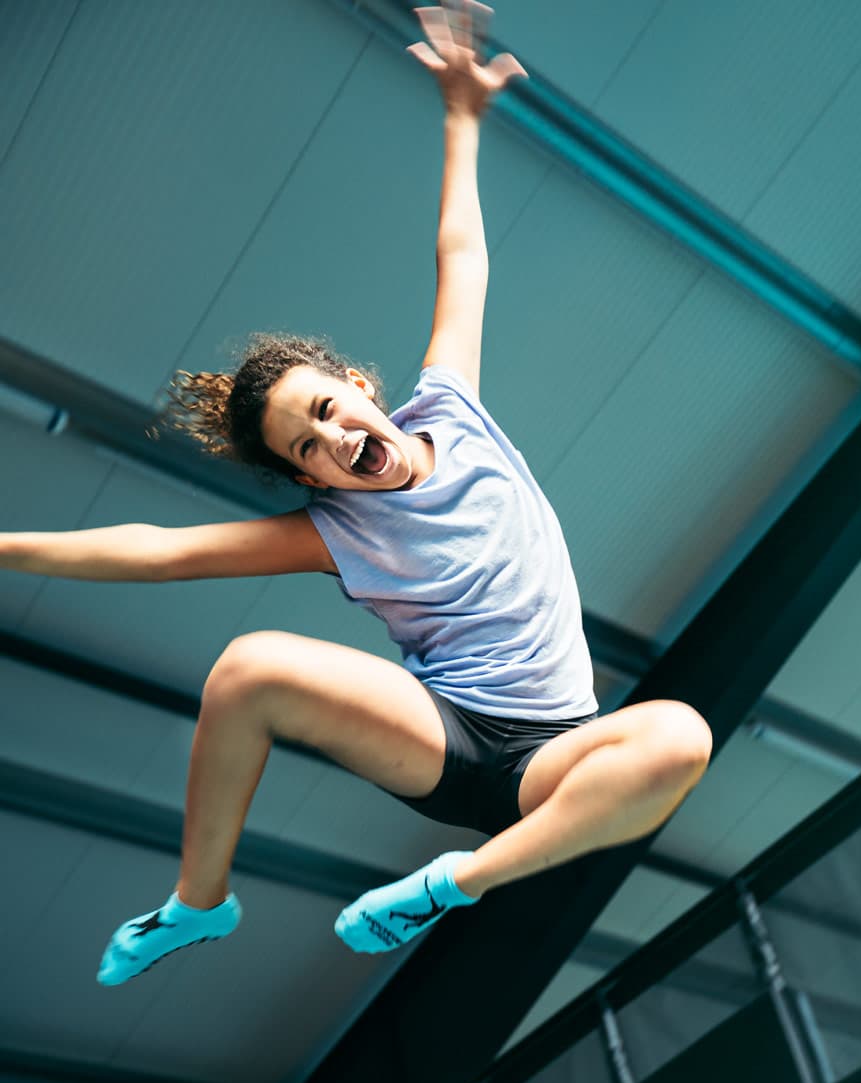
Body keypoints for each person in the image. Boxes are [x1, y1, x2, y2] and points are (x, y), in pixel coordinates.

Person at [0, 4, 710, 987]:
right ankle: (198, 903)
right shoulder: (336, 528)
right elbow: (158, 550)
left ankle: (454, 883)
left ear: (363, 388)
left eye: (330, 411)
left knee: (682, 735)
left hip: (556, 754)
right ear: (310, 478)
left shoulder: (454, 407)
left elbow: (461, 257)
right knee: (248, 668)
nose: (335, 439)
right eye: (310, 447)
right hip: (447, 736)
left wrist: (462, 117)